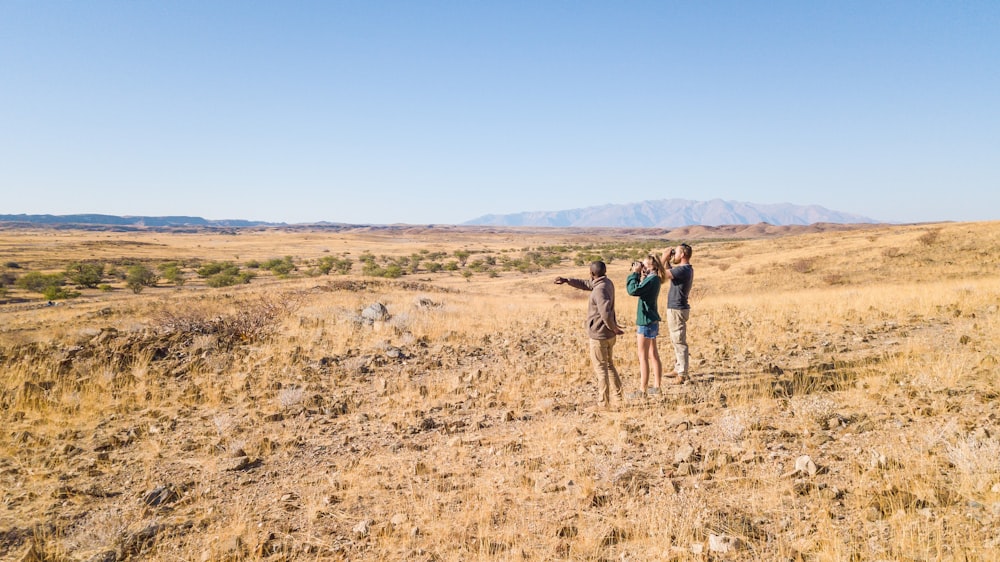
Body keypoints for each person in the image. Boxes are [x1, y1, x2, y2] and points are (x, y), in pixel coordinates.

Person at [555, 261, 626, 409]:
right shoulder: (606, 283)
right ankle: (619, 398)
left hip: (600, 335)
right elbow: (587, 284)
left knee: (601, 370)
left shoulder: (599, 290)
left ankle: (603, 404)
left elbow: (605, 313)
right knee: (609, 365)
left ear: (592, 273)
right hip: (608, 334)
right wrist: (568, 281)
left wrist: (613, 328)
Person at [626, 254, 666, 396]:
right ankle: (656, 386)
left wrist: (635, 274)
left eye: (644, 265)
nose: (642, 267)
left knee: (643, 356)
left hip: (646, 320)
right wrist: (641, 275)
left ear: (652, 266)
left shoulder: (652, 279)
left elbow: (633, 290)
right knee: (653, 353)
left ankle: (643, 389)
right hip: (652, 319)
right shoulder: (654, 278)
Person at [661, 243, 693, 382]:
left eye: (676, 252)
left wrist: (663, 258)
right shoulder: (684, 269)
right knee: (676, 339)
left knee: (679, 341)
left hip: (677, 309)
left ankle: (682, 373)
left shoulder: (683, 270)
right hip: (677, 308)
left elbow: (661, 274)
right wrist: (668, 260)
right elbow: (669, 271)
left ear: (683, 255)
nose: (674, 255)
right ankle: (679, 367)